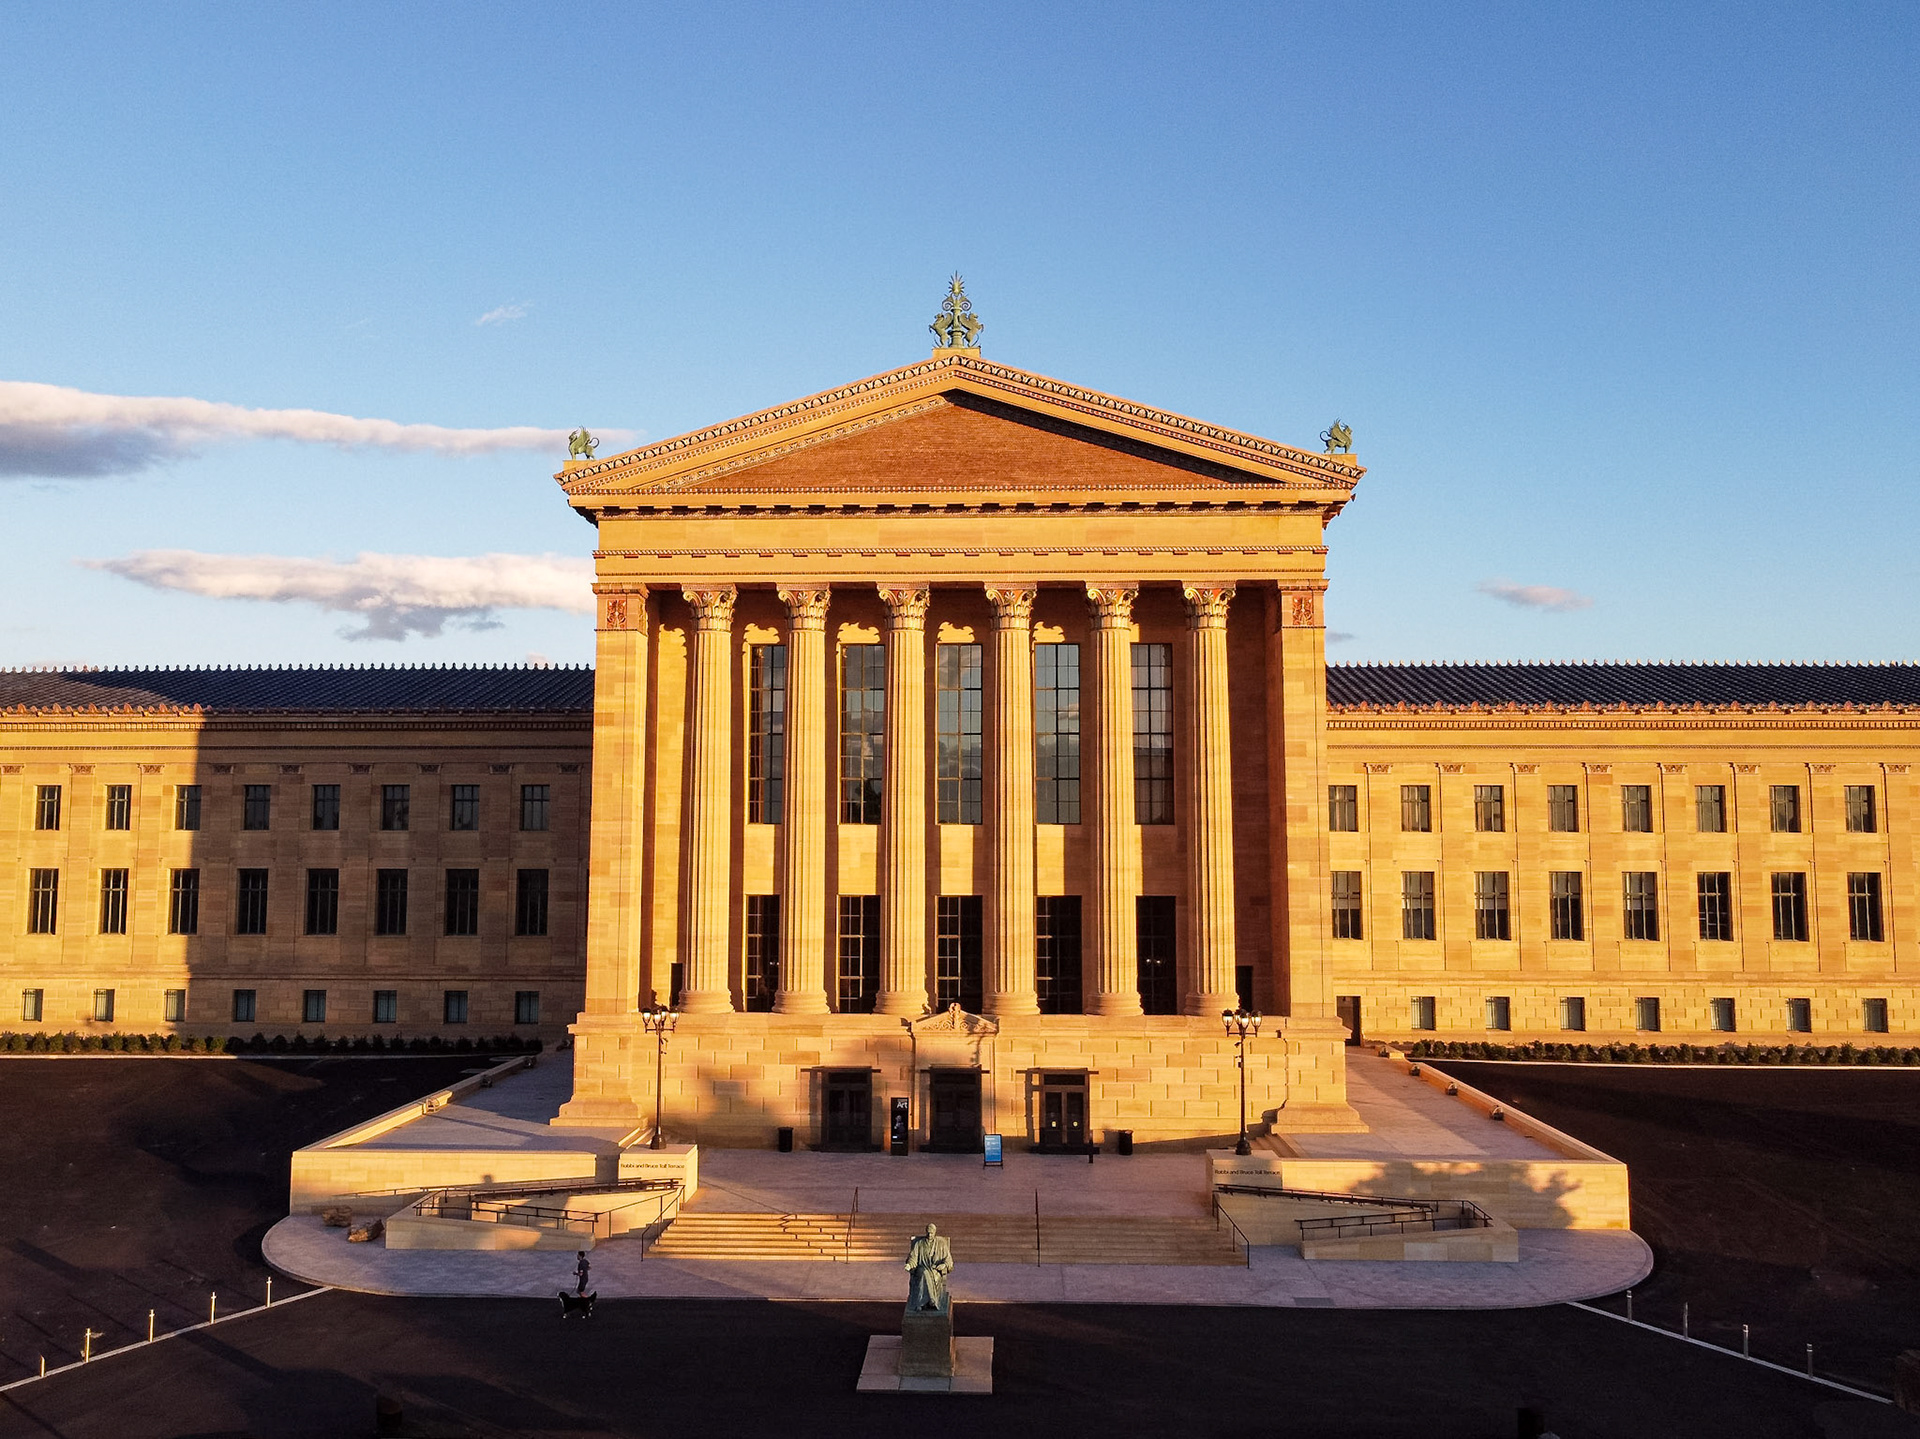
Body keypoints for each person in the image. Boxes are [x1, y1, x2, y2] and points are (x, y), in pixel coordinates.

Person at [904, 1223, 953, 1312]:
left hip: (935, 1270)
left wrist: (944, 1265)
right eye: (928, 1233)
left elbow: (948, 1260)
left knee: (929, 1275)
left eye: (931, 1233)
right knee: (924, 1273)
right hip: (921, 1268)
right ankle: (932, 1300)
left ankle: (921, 1303)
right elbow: (913, 1257)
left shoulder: (941, 1243)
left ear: (935, 1233)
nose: (929, 1235)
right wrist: (909, 1265)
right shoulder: (919, 1244)